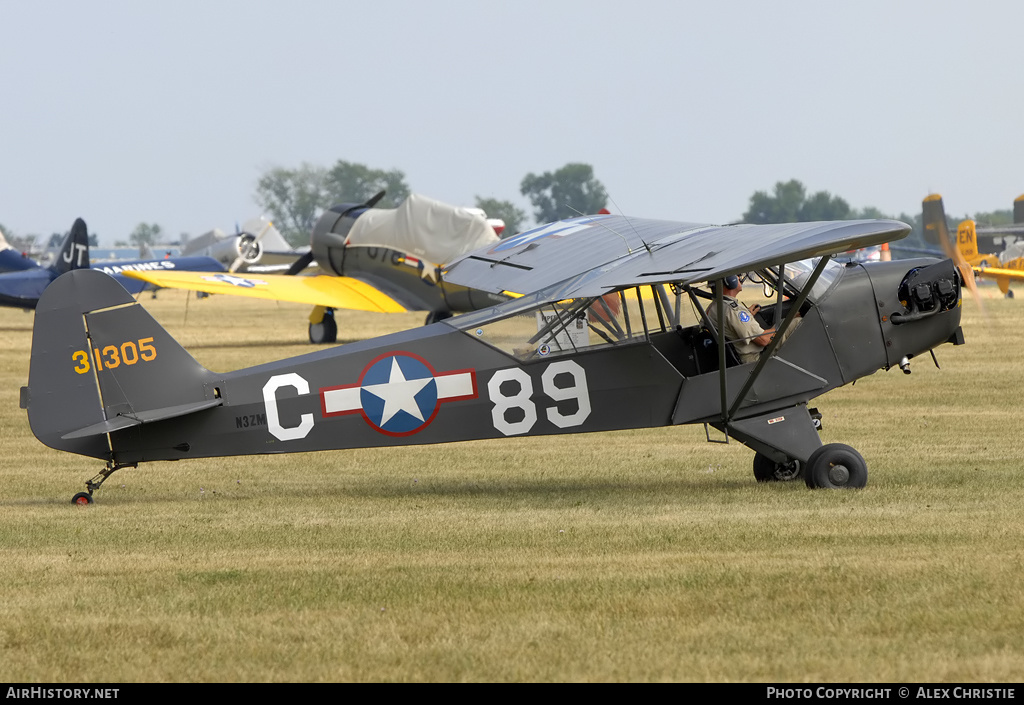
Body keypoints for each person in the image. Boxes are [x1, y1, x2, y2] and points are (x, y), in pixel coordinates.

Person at [704, 275, 793, 364]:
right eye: (736, 276)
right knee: (795, 321)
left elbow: (730, 323)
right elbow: (763, 340)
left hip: (736, 360)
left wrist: (747, 314)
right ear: (730, 281)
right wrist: (787, 321)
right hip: (754, 361)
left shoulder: (712, 308)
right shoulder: (734, 311)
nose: (739, 277)